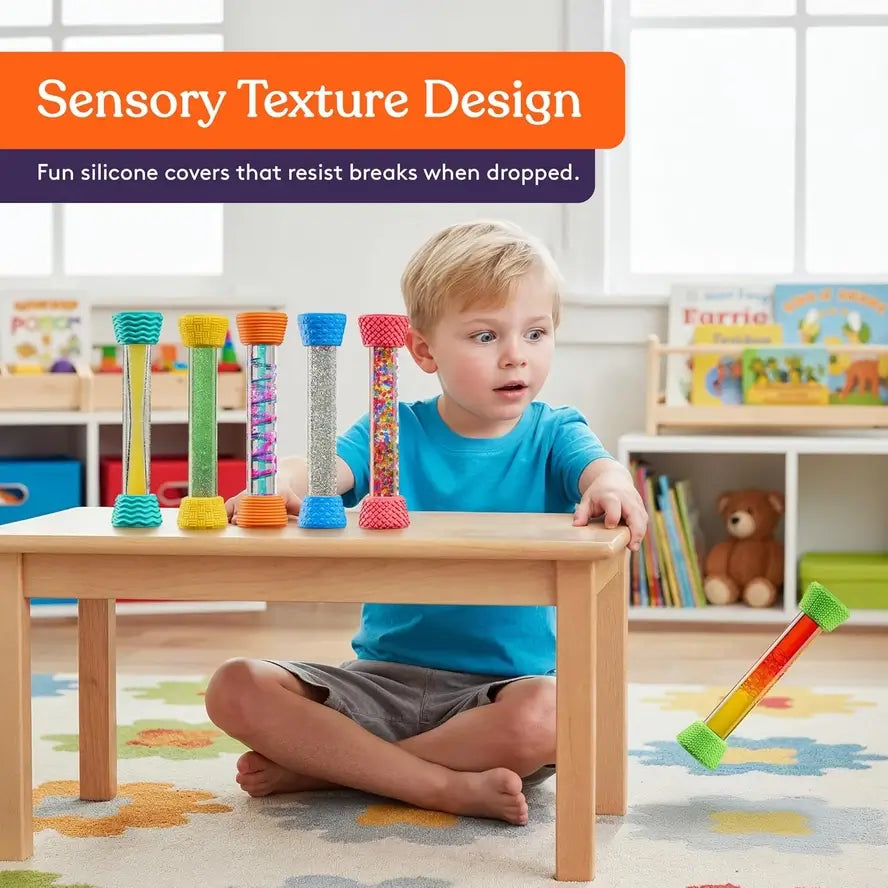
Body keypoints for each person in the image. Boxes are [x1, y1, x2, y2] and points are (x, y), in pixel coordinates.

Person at [205, 219, 648, 826]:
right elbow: (325, 469)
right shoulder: (392, 427)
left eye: (536, 332)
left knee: (554, 714)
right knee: (233, 685)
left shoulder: (554, 431)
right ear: (421, 350)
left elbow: (600, 471)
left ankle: (330, 770)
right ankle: (434, 784)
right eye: (485, 335)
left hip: (500, 696)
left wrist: (613, 486)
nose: (516, 353)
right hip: (378, 682)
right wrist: (284, 484)